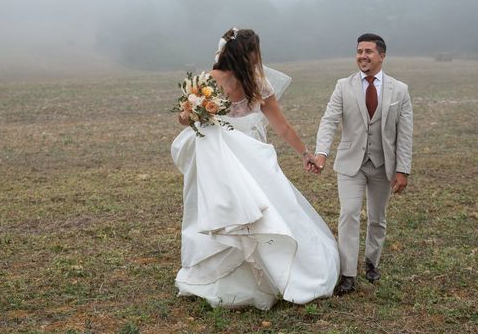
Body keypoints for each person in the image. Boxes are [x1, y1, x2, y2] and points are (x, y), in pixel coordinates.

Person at [171, 28, 339, 310]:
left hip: (248, 155)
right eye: (254, 52)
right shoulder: (214, 80)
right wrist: (195, 111)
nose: (258, 57)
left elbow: (281, 124)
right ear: (244, 53)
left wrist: (305, 153)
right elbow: (183, 118)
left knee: (261, 209)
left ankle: (269, 274)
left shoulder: (255, 83)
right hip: (219, 158)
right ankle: (225, 275)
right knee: (228, 209)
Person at [312, 33, 413, 295]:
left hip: (383, 165)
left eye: (368, 51)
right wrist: (321, 152)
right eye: (359, 51)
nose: (362, 56)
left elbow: (405, 133)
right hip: (350, 164)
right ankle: (348, 274)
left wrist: (402, 169)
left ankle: (372, 262)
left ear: (382, 55)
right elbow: (329, 120)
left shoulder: (399, 90)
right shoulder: (342, 86)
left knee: (377, 218)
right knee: (349, 214)